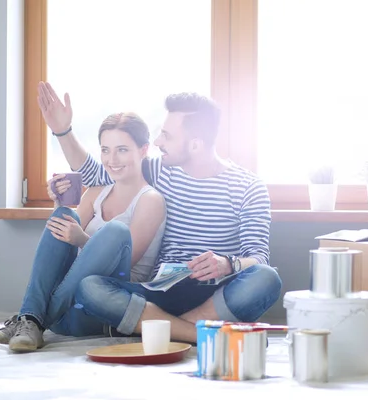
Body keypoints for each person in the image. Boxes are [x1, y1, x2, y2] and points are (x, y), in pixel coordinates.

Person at [35, 81, 282, 345]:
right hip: (161, 289)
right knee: (91, 288)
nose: (157, 142)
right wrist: (63, 131)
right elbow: (102, 173)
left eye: (167, 136)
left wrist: (227, 264)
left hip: (216, 292)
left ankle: (157, 325)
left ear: (196, 144)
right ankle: (196, 332)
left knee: (267, 279)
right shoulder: (160, 170)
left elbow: (258, 258)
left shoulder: (248, 186)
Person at [0, 111, 167, 352]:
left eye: (122, 149)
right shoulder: (96, 193)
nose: (112, 159)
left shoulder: (151, 200)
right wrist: (58, 203)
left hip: (101, 306)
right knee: (63, 215)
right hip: (66, 311)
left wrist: (81, 239)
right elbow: (63, 241)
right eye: (105, 150)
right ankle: (32, 319)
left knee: (115, 232)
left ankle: (30, 317)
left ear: (143, 150)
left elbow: (125, 258)